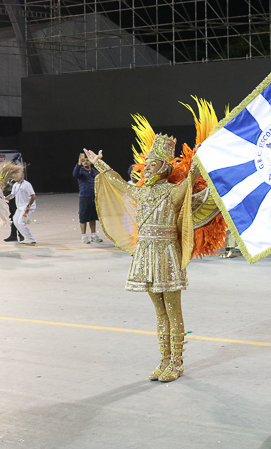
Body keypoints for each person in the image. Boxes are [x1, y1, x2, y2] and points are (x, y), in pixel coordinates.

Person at [84, 129, 223, 383]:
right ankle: (163, 361)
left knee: (173, 311)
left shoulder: (173, 192)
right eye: (145, 165)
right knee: (159, 312)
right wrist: (99, 164)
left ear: (163, 167)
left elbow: (192, 177)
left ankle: (176, 363)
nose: (146, 169)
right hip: (146, 254)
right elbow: (118, 183)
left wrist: (202, 156)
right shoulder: (142, 192)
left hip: (167, 255)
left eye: (152, 165)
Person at [73, 153, 103, 243]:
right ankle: (84, 236)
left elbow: (102, 174)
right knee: (83, 217)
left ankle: (94, 235)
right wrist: (78, 164)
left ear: (90, 161)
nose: (85, 162)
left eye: (87, 160)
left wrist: (99, 159)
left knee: (92, 217)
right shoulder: (81, 172)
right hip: (84, 197)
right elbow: (75, 174)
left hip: (94, 197)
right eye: (84, 161)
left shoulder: (94, 171)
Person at [7, 166, 37, 245]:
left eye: (17, 176)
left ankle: (31, 238)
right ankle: (26, 237)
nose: (15, 178)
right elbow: (12, 195)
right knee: (16, 221)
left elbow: (33, 196)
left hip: (27, 207)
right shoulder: (15, 185)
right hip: (20, 207)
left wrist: (28, 206)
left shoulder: (27, 185)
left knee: (21, 222)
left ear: (22, 176)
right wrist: (4, 199)